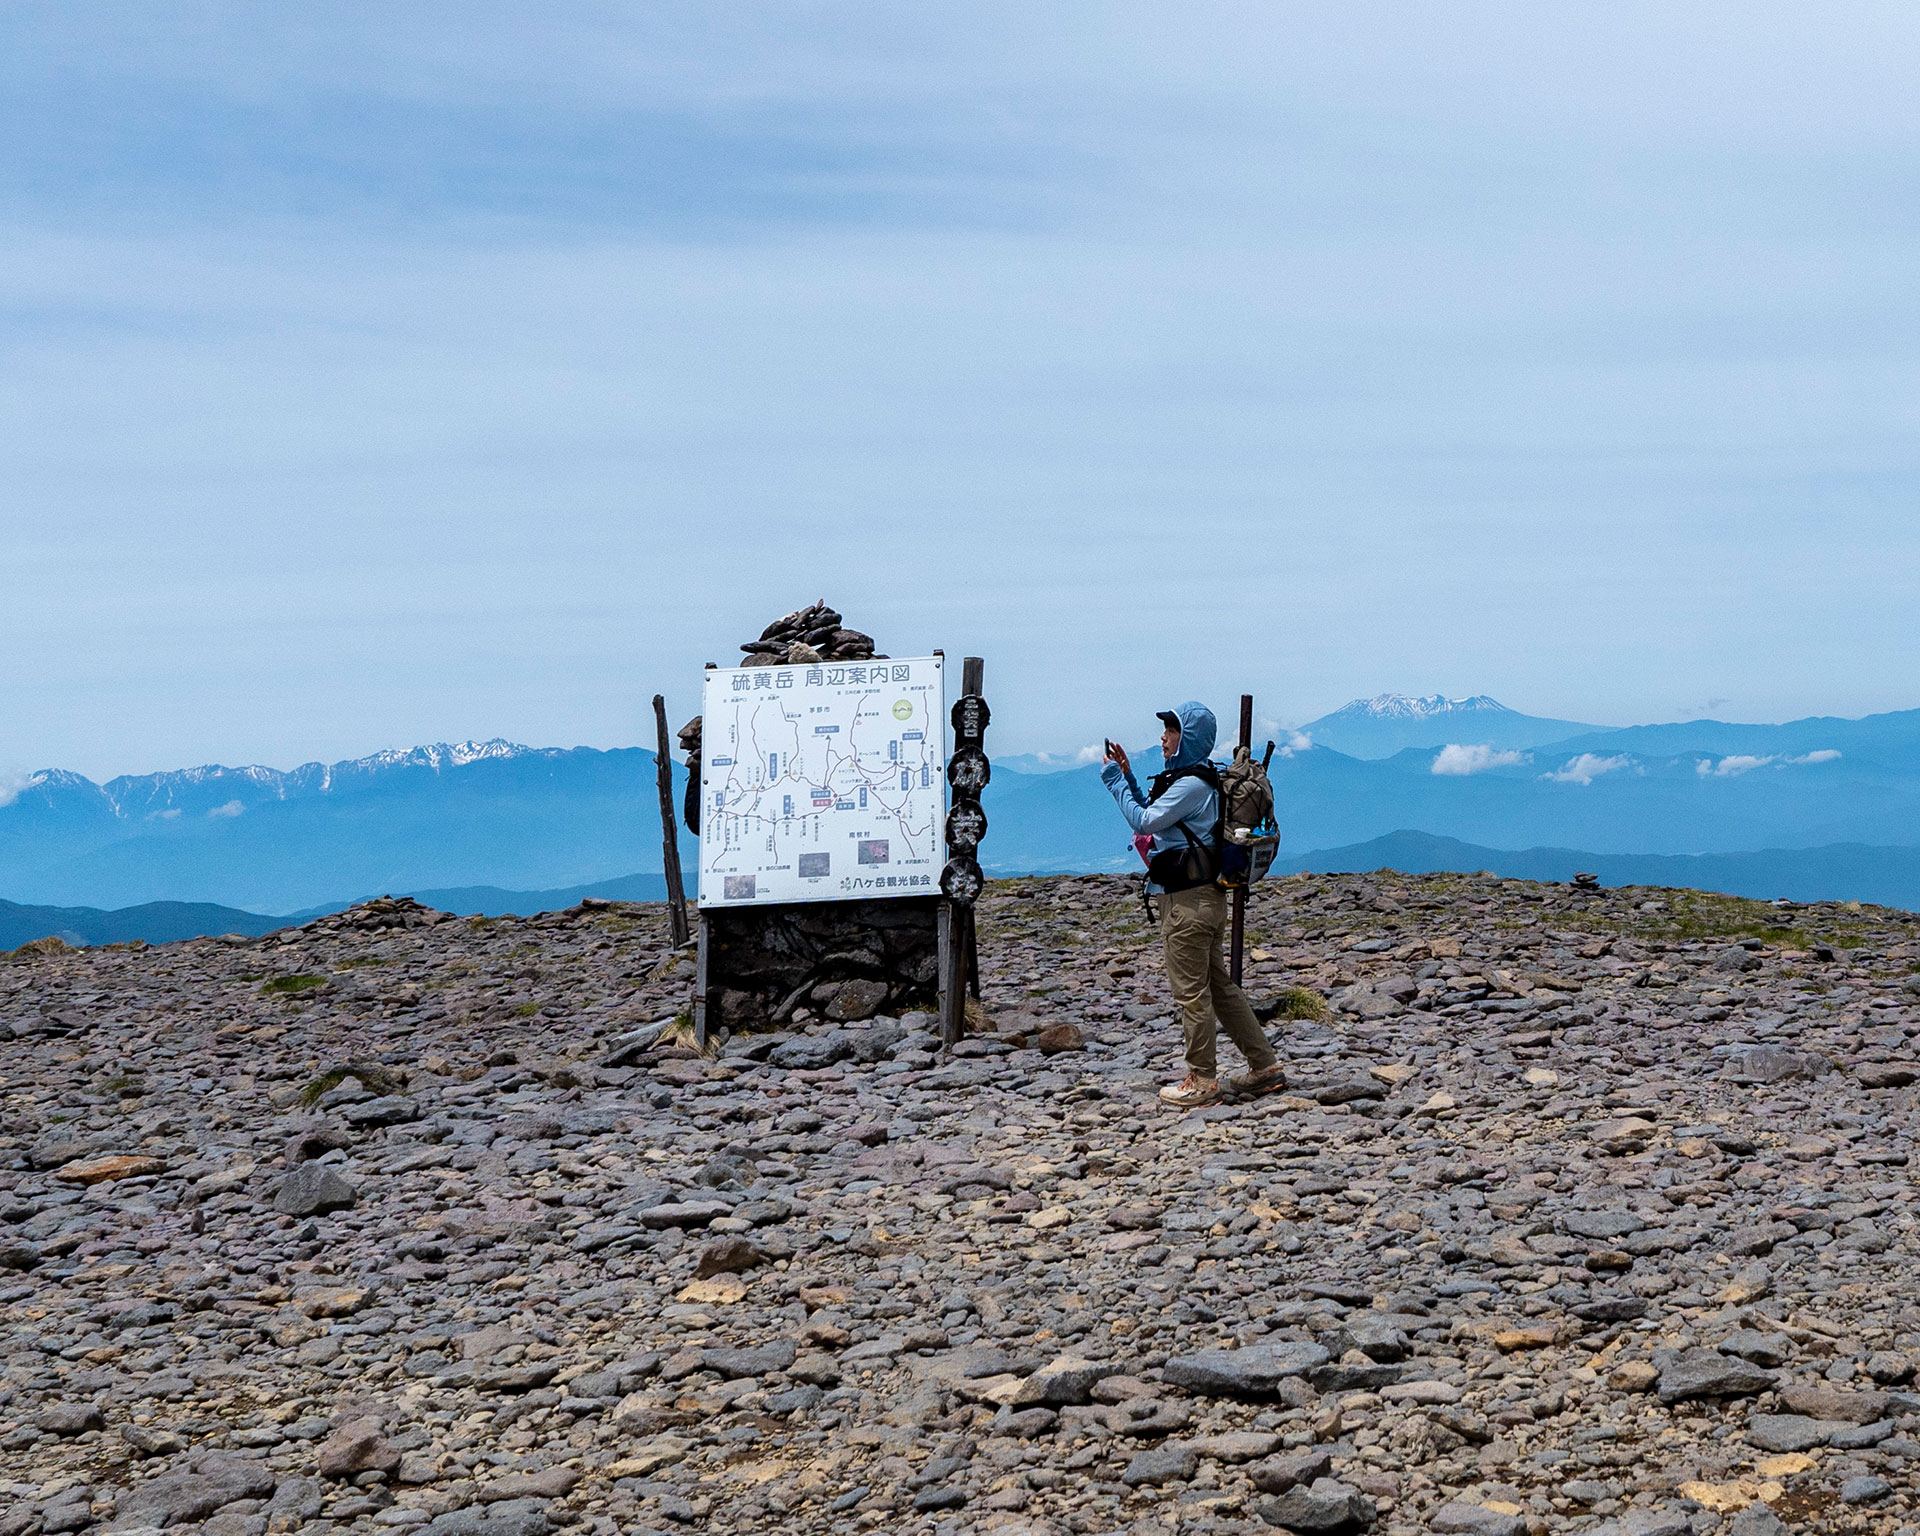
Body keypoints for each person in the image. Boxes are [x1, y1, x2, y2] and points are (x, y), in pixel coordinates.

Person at [1101, 702, 1287, 1108]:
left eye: (1172, 731)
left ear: (1189, 739)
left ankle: (1202, 1079)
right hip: (1206, 898)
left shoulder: (1191, 785)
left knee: (1192, 994)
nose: (1164, 738)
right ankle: (1264, 1066)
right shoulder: (1197, 779)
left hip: (1186, 904)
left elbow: (1146, 823)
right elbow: (1155, 815)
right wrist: (1131, 777)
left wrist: (1115, 782)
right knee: (1220, 989)